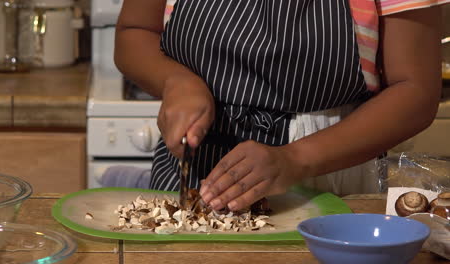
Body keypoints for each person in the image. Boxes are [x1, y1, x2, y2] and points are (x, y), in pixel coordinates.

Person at [114, 0, 446, 212]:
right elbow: (134, 32)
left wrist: (296, 158)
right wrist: (176, 81)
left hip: (329, 176)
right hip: (194, 172)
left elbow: (415, 90)